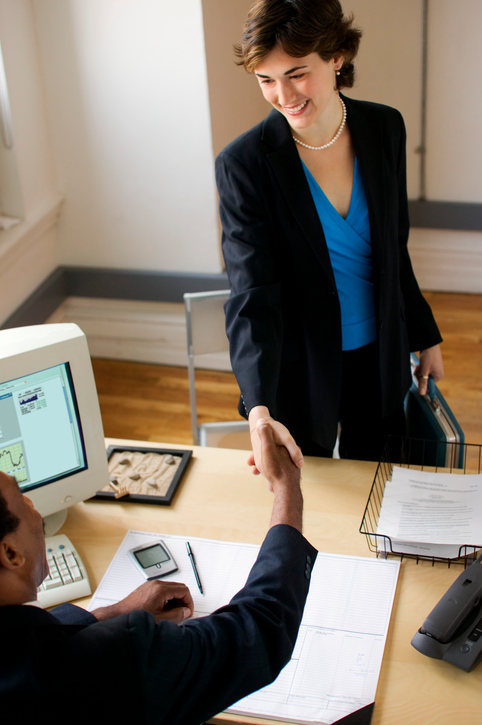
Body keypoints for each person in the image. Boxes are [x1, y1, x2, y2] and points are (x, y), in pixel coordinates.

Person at [215, 0, 444, 468]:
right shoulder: (244, 165)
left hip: (381, 356)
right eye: (266, 80)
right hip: (301, 372)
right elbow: (251, 293)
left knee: (378, 486)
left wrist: (425, 335)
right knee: (311, 495)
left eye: (297, 73)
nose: (283, 95)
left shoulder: (385, 128)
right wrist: (258, 408)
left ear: (336, 55)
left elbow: (392, 246)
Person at [0, 420, 316, 725]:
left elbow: (32, 644)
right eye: (22, 500)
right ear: (11, 553)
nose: (32, 504)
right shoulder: (108, 660)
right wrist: (286, 488)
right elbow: (258, 631)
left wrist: (110, 613)